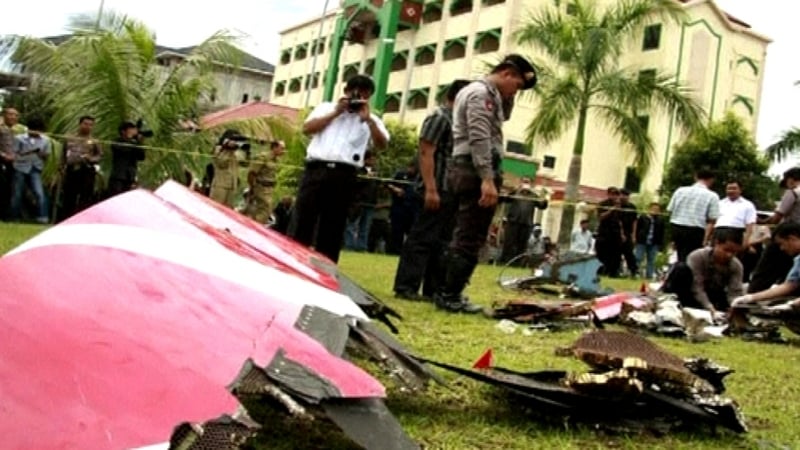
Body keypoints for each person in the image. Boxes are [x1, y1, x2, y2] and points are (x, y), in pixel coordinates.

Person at [435, 54, 537, 313]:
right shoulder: (481, 95)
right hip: (474, 168)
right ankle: (450, 295)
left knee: (465, 233)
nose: (516, 91)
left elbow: (501, 120)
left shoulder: (487, 94)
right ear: (507, 74)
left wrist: (510, 96)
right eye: (516, 85)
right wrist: (487, 179)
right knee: (470, 234)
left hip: (470, 167)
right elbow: (480, 137)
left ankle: (447, 291)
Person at [288, 74, 389, 263]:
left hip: (344, 174)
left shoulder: (370, 119)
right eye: (354, 94)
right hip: (316, 168)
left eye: (363, 96)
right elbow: (307, 128)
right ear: (345, 92)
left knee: (333, 224)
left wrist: (368, 120)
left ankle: (325, 268)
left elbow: (382, 144)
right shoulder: (326, 108)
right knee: (303, 218)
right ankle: (292, 261)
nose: (357, 99)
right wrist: (336, 112)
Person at [393, 79, 470, 300]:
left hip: (451, 189)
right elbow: (426, 152)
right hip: (436, 187)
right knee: (421, 238)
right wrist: (430, 188)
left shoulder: (458, 123)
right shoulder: (440, 117)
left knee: (442, 242)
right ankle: (406, 286)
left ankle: (433, 288)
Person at [662, 227, 744, 318]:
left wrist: (734, 307)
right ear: (716, 243)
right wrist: (709, 307)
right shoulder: (698, 256)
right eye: (726, 250)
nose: (729, 255)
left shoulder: (736, 265)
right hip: (692, 292)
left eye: (734, 252)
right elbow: (696, 286)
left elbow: (735, 291)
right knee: (681, 269)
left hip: (713, 294)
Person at [747, 167, 800, 293]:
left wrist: (762, 221)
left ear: (791, 180)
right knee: (790, 272)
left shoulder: (793, 192)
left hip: (788, 233)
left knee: (765, 270)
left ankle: (750, 298)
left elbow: (777, 217)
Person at [732, 222, 800, 306]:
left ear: (791, 239)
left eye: (782, 244)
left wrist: (793, 303)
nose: (782, 248)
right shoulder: (798, 260)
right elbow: (790, 285)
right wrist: (750, 297)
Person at [666, 169, 720, 262]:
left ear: (695, 177)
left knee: (679, 255)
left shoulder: (680, 191)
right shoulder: (712, 196)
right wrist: (705, 238)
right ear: (711, 180)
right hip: (695, 230)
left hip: (677, 227)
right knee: (693, 257)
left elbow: (670, 210)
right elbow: (712, 220)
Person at [59, 115, 102, 221]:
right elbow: (63, 155)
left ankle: (82, 220)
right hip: (72, 170)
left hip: (86, 170)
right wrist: (61, 168)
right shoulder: (69, 138)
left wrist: (90, 158)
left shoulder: (94, 141)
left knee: (85, 196)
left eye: (90, 125)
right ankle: (66, 219)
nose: (87, 127)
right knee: (69, 196)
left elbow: (99, 156)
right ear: (80, 124)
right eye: (85, 124)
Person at [10, 118, 50, 223]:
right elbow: (14, 153)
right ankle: (14, 218)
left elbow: (47, 156)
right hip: (20, 167)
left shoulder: (45, 140)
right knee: (17, 193)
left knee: (39, 193)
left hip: (35, 168)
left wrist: (41, 154)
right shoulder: (19, 138)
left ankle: (42, 217)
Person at [243, 140, 285, 224]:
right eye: (281, 148)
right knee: (265, 210)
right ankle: (256, 227)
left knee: (263, 210)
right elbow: (252, 173)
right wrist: (252, 187)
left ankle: (254, 224)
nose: (283, 151)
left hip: (269, 189)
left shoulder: (276, 160)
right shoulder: (263, 157)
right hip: (261, 187)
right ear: (274, 147)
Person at [345, 151, 379, 251]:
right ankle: (350, 246)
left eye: (374, 159)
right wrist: (366, 178)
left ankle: (361, 247)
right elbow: (354, 183)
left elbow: (376, 187)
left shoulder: (375, 171)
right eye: (372, 159)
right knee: (352, 225)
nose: (374, 161)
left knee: (365, 227)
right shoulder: (358, 169)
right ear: (365, 159)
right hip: (357, 202)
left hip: (370, 202)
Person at [499, 177, 538, 264]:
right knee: (509, 242)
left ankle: (518, 262)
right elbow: (504, 199)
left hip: (526, 223)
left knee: (522, 244)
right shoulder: (515, 193)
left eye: (527, 182)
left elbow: (542, 205)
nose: (526, 184)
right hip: (513, 222)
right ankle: (505, 261)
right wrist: (515, 190)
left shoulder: (534, 196)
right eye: (524, 181)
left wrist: (543, 198)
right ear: (520, 182)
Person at [387, 161, 420, 254]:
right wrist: (395, 189)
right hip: (399, 207)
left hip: (413, 208)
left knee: (412, 231)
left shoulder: (419, 177)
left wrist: (405, 194)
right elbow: (389, 184)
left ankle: (409, 252)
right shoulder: (400, 174)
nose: (411, 170)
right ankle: (394, 251)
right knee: (396, 231)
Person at [107, 121, 146, 197]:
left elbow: (141, 157)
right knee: (115, 197)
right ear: (123, 131)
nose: (132, 132)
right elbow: (124, 149)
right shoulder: (117, 141)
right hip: (118, 177)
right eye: (130, 130)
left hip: (130, 177)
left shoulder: (134, 143)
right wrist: (131, 140)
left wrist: (139, 142)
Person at [209, 129, 244, 208]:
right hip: (220, 185)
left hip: (232, 186)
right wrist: (226, 148)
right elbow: (221, 163)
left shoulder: (235, 152)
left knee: (228, 210)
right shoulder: (219, 149)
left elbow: (244, 162)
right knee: (216, 208)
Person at [594, 187, 624, 277]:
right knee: (602, 253)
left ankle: (613, 272)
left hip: (615, 233)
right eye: (612, 194)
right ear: (608, 194)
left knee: (615, 254)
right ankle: (600, 271)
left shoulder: (620, 206)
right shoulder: (602, 204)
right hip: (604, 232)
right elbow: (600, 217)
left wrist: (622, 233)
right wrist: (612, 209)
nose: (614, 196)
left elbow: (620, 221)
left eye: (616, 194)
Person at [633, 202, 666, 279]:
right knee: (638, 257)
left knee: (651, 260)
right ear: (650, 209)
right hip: (642, 241)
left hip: (654, 242)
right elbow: (637, 228)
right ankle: (635, 273)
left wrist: (661, 244)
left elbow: (662, 232)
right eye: (654, 209)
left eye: (657, 209)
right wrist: (635, 237)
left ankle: (649, 275)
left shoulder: (660, 220)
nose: (655, 211)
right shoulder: (643, 217)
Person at [619, 189, 639, 276]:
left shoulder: (632, 207)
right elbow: (618, 221)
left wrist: (634, 235)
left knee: (629, 253)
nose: (623, 197)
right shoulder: (618, 206)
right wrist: (621, 233)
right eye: (622, 195)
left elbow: (635, 221)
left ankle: (634, 271)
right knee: (616, 253)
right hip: (617, 232)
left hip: (628, 233)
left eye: (625, 195)